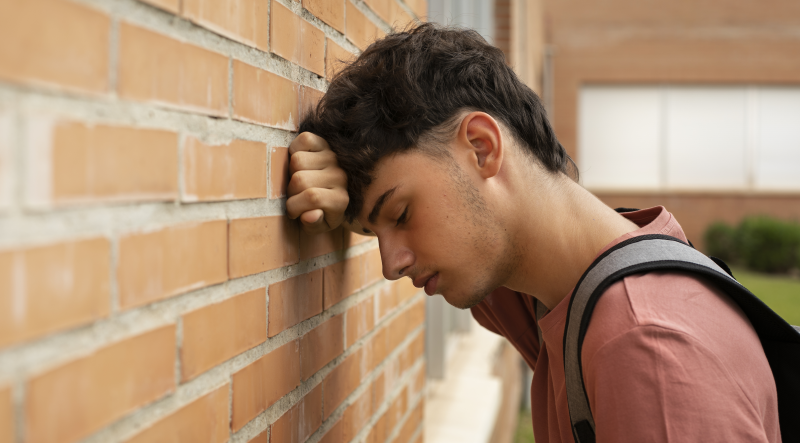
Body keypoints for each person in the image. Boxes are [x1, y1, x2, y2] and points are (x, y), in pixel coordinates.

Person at [285, 23, 780, 443]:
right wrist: (357, 205)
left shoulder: (646, 348)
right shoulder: (558, 286)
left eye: (401, 213)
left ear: (481, 148)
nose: (391, 265)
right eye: (376, 232)